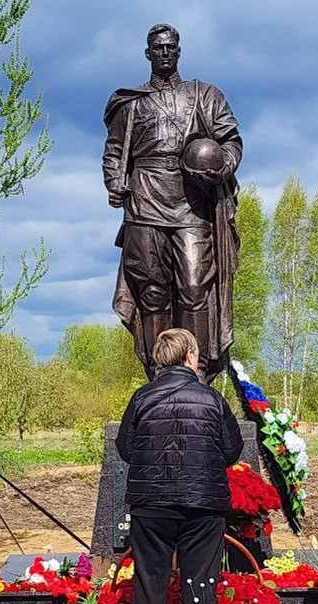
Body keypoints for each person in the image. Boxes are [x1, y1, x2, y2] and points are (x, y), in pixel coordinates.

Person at [103, 23, 243, 384]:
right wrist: (113, 183)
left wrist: (223, 166)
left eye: (171, 48)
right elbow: (115, 150)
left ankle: (196, 373)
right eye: (158, 48)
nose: (165, 53)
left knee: (196, 285)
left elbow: (231, 140)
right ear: (148, 53)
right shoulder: (131, 102)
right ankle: (160, 373)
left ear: (178, 52)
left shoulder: (205, 96)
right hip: (145, 199)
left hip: (192, 203)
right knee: (152, 292)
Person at [116, 328, 244, 604]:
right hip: (202, 504)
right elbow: (232, 449)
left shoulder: (142, 397)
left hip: (151, 504)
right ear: (190, 356)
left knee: (150, 582)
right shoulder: (212, 399)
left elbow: (126, 448)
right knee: (200, 583)